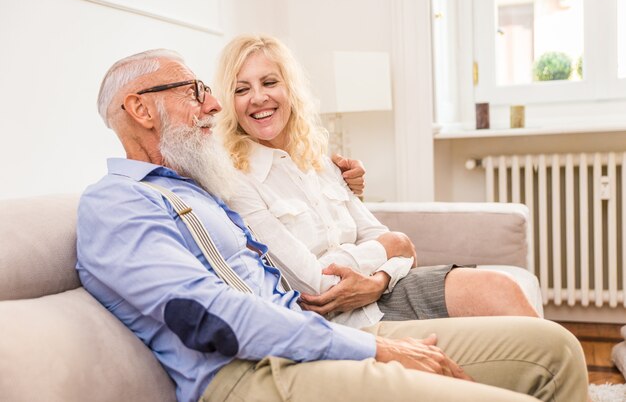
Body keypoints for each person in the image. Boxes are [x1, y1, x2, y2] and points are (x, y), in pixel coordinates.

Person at [77, 48, 588, 402]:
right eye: (195, 91)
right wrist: (374, 346)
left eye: (210, 90)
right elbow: (212, 318)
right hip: (249, 373)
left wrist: (368, 228)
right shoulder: (119, 203)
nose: (213, 104)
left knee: (556, 349)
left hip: (308, 343)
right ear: (140, 108)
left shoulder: (198, 189)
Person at [214, 34, 539, 329]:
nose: (257, 97)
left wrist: (378, 280)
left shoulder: (320, 161)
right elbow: (314, 285)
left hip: (383, 293)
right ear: (231, 104)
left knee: (501, 291)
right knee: (496, 294)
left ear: (290, 91)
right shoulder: (239, 182)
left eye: (269, 82)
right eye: (242, 89)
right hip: (346, 321)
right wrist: (386, 250)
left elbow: (399, 249)